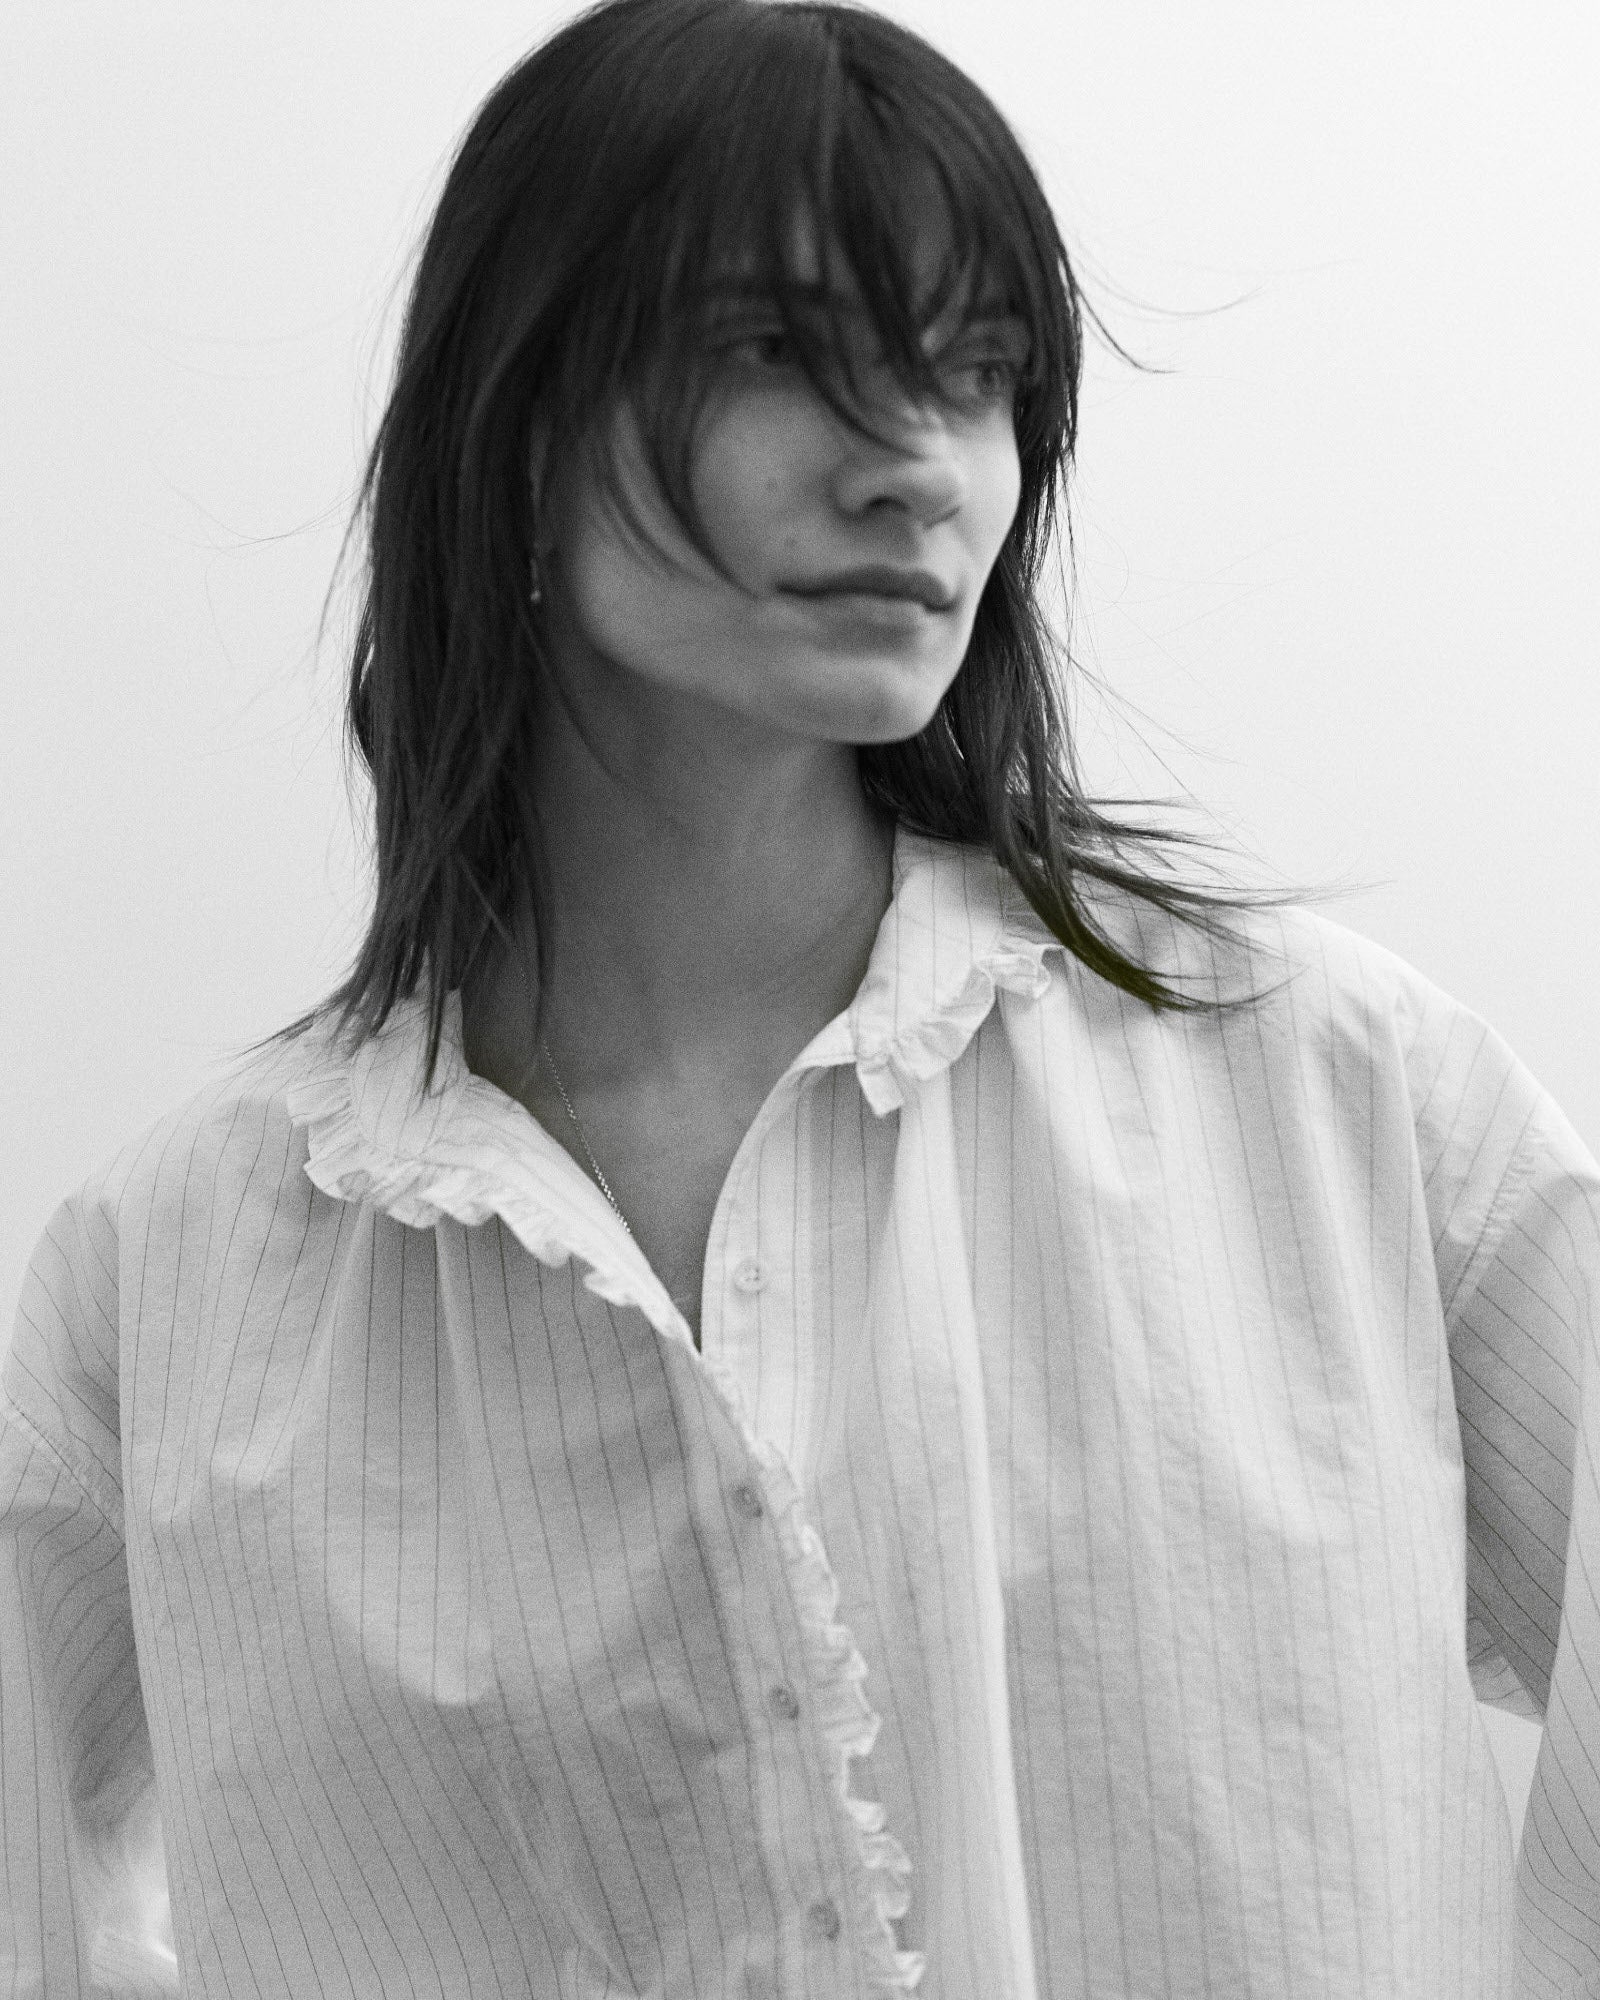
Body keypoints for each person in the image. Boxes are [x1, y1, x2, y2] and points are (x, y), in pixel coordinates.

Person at [5, 0, 1598, 1994]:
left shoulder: (1338, 1105)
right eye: (777, 352)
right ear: (516, 420)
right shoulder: (176, 1286)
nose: (920, 467)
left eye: (981, 372)